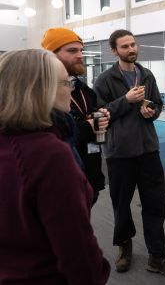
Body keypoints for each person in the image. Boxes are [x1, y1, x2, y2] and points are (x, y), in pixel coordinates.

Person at [0, 49, 110, 284]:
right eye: (65, 83)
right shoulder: (49, 154)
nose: (71, 90)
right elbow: (78, 251)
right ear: (42, 90)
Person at [93, 29, 165, 277]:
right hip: (119, 153)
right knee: (121, 204)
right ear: (114, 51)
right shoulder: (105, 80)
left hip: (148, 150)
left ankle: (157, 255)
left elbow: (156, 104)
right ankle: (124, 246)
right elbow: (99, 115)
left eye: (133, 45)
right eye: (125, 47)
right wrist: (126, 100)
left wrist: (151, 111)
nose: (131, 49)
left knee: (154, 204)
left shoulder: (147, 74)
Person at [41, 27, 109, 205]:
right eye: (72, 50)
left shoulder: (85, 90)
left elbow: (90, 115)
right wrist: (88, 126)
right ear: (51, 56)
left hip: (90, 172)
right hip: (61, 181)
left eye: (81, 50)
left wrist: (102, 117)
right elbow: (49, 139)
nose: (80, 55)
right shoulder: (40, 94)